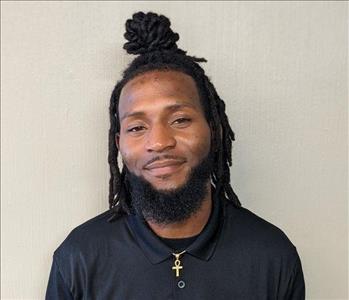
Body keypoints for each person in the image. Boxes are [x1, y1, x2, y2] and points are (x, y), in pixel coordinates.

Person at [46, 11, 305, 299]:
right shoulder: (78, 258)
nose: (158, 142)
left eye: (180, 120)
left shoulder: (272, 256)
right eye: (137, 127)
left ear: (214, 130)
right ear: (119, 143)